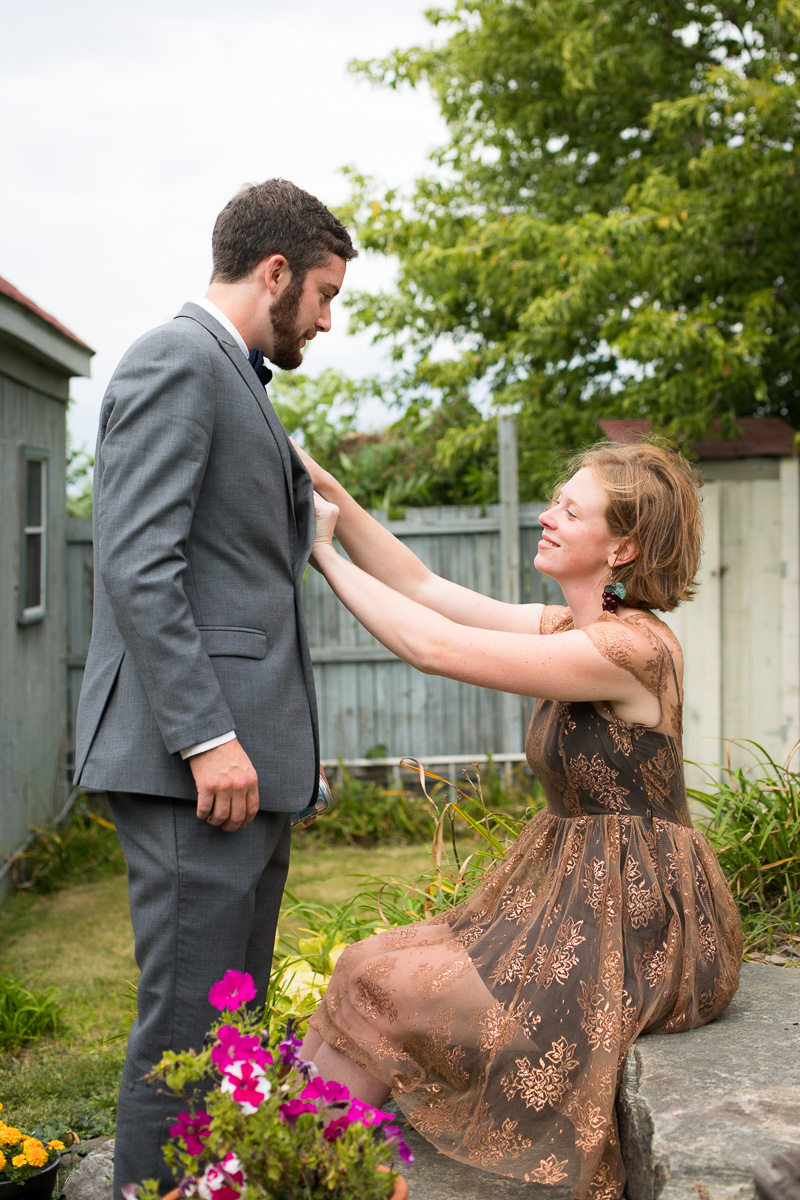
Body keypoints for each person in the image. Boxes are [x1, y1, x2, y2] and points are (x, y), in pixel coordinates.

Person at [297, 439, 743, 1199]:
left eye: (571, 510)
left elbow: (429, 645)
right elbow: (423, 585)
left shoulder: (629, 650)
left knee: (388, 984)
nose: (548, 516)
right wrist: (321, 478)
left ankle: (300, 1170)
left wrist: (323, 555)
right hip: (580, 896)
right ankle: (298, 1164)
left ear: (623, 547)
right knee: (361, 964)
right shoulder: (569, 632)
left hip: (641, 922)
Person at [73, 179, 356, 1196]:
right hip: (189, 763)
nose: (326, 319)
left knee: (230, 1025)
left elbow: (229, 579)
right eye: (322, 293)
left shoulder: (229, 375)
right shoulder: (174, 359)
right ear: (272, 271)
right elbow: (137, 563)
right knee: (189, 1026)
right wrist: (205, 738)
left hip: (241, 767)